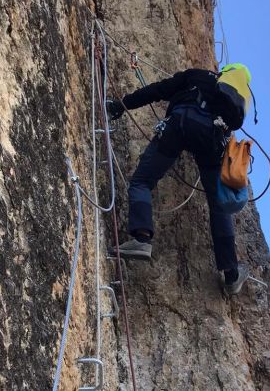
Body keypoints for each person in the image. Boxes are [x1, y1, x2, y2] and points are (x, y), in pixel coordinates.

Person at [107, 63, 254, 295]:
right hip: (211, 142)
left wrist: (120, 105)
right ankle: (231, 274)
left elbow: (157, 90)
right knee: (219, 208)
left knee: (142, 181)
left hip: (180, 125)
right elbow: (231, 128)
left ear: (223, 72)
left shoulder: (197, 75)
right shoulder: (234, 101)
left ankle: (142, 239)